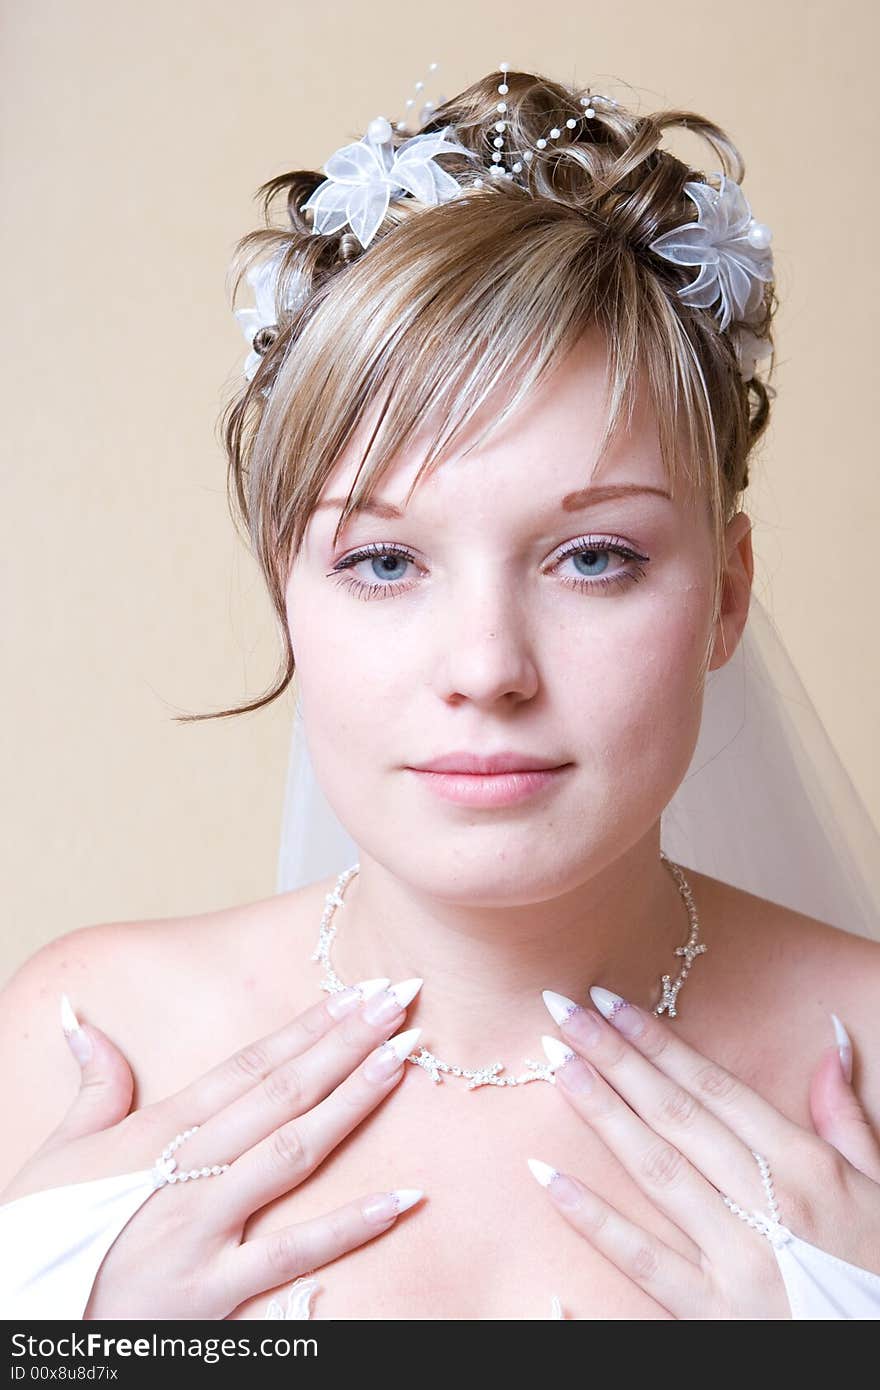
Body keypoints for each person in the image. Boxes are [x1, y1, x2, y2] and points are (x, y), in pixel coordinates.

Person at [1, 63, 879, 1322]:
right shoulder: (92, 1043)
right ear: (285, 592)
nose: (485, 669)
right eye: (384, 561)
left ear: (727, 593)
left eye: (594, 557)